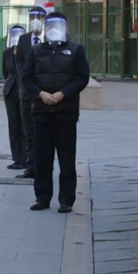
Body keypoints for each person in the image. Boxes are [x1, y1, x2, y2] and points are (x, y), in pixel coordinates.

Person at [20, 12, 90, 213]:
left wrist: (62, 94)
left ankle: (66, 200)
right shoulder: (36, 50)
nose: (54, 29)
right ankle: (42, 197)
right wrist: (40, 94)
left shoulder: (75, 49)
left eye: (58, 25)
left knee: (66, 159)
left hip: (65, 112)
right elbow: (26, 78)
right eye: (50, 25)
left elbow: (82, 77)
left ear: (65, 27)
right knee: (42, 158)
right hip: (41, 111)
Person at [14, 5, 47, 179]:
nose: (35, 21)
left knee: (45, 133)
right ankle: (31, 167)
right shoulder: (24, 39)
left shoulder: (50, 38)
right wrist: (27, 78)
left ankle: (44, 166)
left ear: (44, 20)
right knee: (29, 133)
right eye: (32, 17)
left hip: (46, 93)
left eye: (39, 17)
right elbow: (19, 61)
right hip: (27, 93)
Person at [3, 25, 26, 170]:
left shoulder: (28, 51)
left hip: (24, 91)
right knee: (14, 126)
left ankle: (26, 158)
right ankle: (17, 158)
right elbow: (5, 73)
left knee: (25, 125)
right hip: (10, 91)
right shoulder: (6, 53)